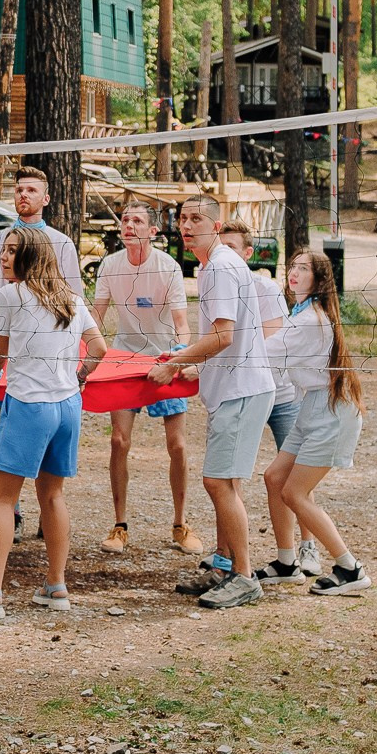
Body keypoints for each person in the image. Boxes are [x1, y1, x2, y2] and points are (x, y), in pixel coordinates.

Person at [0, 227, 104, 619]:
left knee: (3, 499)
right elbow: (100, 348)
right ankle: (56, 586)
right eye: (3, 250)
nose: (3, 258)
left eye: (11, 252)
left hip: (29, 406)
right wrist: (81, 375)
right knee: (52, 496)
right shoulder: (72, 298)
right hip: (68, 407)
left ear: (31, 257)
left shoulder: (11, 296)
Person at [148, 197, 276, 611]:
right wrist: (196, 370)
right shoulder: (211, 266)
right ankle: (223, 566)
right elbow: (224, 341)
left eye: (196, 219)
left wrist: (174, 364)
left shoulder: (221, 265)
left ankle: (244, 576)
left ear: (216, 225)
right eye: (182, 219)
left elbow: (224, 336)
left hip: (243, 389)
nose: (186, 226)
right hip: (232, 387)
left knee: (218, 482)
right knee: (229, 481)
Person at [89, 201, 196, 555]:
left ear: (152, 231)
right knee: (119, 441)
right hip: (124, 357)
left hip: (164, 357)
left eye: (137, 221)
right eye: (125, 220)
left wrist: (181, 359)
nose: (129, 225)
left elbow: (182, 323)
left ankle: (181, 524)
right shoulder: (109, 265)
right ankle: (119, 525)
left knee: (177, 445)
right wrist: (83, 354)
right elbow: (96, 317)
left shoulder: (168, 267)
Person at [259, 251, 369, 593]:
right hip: (311, 405)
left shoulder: (310, 320)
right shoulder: (301, 313)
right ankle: (286, 561)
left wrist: (207, 353)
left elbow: (263, 353)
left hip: (331, 412)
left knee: (295, 492)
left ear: (319, 279)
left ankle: (350, 568)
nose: (294, 273)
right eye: (292, 267)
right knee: (274, 477)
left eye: (303, 269)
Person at [224, 221, 309, 574]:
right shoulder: (215, 288)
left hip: (280, 394)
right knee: (229, 475)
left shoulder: (265, 288)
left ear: (247, 253)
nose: (225, 254)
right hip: (242, 393)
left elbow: (273, 343)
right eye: (221, 247)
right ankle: (231, 556)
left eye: (232, 247)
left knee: (294, 476)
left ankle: (307, 546)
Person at [0, 167, 79, 322]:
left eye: (32, 190)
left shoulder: (63, 244)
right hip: (5, 325)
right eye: (19, 190)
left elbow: (72, 295)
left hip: (47, 326)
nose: (23, 194)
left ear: (46, 199)